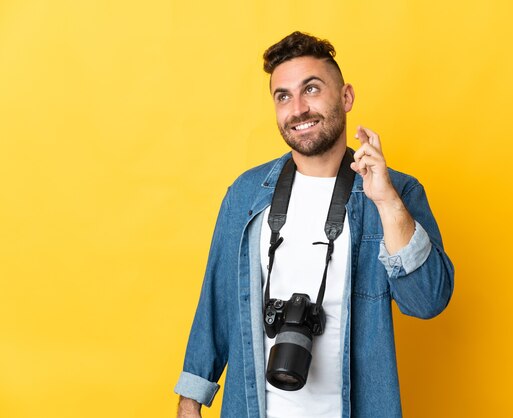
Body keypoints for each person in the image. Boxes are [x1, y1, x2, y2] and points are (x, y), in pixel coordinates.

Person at [174, 31, 454, 418]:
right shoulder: (246, 195)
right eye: (283, 96)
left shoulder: (397, 192)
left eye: (312, 89)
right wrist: (190, 400)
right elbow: (217, 305)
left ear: (346, 97)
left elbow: (428, 301)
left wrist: (387, 202)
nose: (298, 108)